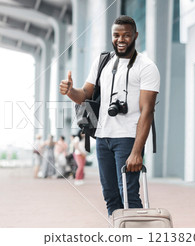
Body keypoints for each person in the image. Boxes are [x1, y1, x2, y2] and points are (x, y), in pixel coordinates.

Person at [59, 16, 159, 216]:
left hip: (128, 138)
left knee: (129, 196)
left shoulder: (146, 67)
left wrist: (137, 151)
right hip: (103, 138)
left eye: (126, 35)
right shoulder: (103, 61)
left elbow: (147, 111)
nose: (121, 39)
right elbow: (85, 95)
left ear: (135, 36)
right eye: (116, 35)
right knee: (110, 197)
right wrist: (70, 91)